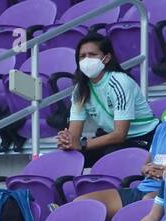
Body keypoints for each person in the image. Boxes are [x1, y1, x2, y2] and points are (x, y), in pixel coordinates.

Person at [78, 72, 166, 220]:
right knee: (82, 205)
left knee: (147, 203)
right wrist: (146, 169)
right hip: (144, 188)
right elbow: (147, 163)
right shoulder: (162, 127)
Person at [57, 33, 157, 166]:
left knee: (110, 154)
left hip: (143, 137)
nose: (86, 59)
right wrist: (67, 141)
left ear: (106, 58)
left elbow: (120, 134)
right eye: (82, 56)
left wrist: (82, 144)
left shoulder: (120, 82)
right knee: (68, 157)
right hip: (111, 139)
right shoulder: (79, 90)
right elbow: (74, 135)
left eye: (92, 55)